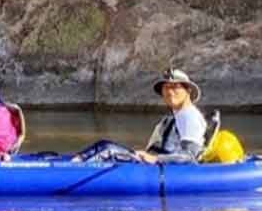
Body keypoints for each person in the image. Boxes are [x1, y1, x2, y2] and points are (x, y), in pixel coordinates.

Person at [73, 68, 207, 164]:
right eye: (166, 88)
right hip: (155, 163)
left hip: (163, 168)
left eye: (175, 87)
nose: (170, 92)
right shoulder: (178, 116)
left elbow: (190, 156)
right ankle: (71, 164)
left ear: (188, 91)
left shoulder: (189, 116)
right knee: (103, 145)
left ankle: (71, 172)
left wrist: (155, 158)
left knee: (108, 150)